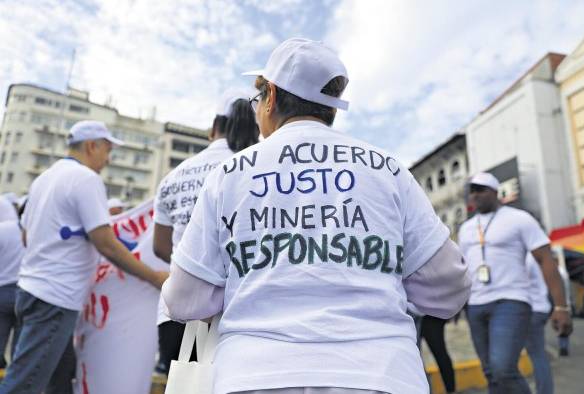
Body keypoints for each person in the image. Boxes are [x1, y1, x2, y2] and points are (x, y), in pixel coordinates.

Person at [163, 38, 471, 394]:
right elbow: (450, 287)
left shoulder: (231, 174)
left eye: (256, 98)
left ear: (272, 96)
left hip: (253, 377)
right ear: (331, 108)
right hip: (381, 375)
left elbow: (184, 299)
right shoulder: (386, 169)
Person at [0, 121, 168, 394]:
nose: (108, 158)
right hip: (55, 299)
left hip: (30, 291)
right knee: (25, 384)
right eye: (107, 150)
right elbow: (107, 245)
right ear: (93, 146)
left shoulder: (45, 178)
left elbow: (26, 237)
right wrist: (155, 277)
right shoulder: (85, 180)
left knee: (61, 379)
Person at [152, 89, 259, 375]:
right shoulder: (255, 168)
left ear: (214, 127)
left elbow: (160, 247)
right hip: (235, 314)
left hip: (176, 311)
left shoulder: (175, 175)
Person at [458, 172, 572, 394]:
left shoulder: (519, 218)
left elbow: (545, 259)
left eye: (480, 189)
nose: (475, 195)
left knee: (503, 369)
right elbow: (462, 268)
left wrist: (561, 306)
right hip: (475, 304)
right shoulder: (466, 228)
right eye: (472, 191)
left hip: (511, 301)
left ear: (494, 192)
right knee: (490, 372)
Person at [0, 198, 26, 369]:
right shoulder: (41, 234)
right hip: (26, 293)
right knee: (20, 351)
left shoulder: (4, 229)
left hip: (2, 292)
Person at [524, 254, 553, 394]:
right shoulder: (534, 257)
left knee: (537, 355)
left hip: (532, 309)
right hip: (539, 308)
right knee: (539, 354)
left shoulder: (525, 256)